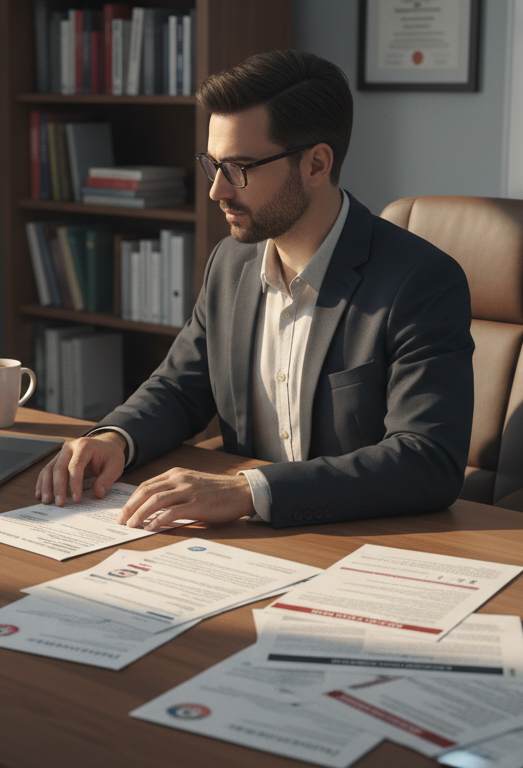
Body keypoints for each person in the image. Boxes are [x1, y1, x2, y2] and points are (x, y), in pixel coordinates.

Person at [34, 50, 473, 530]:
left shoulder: (420, 281)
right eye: (213, 165)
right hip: (243, 545)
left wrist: (250, 490)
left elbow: (427, 458)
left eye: (239, 168)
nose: (217, 191)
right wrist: (115, 438)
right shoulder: (231, 262)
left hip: (359, 539)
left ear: (316, 164)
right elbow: (180, 388)